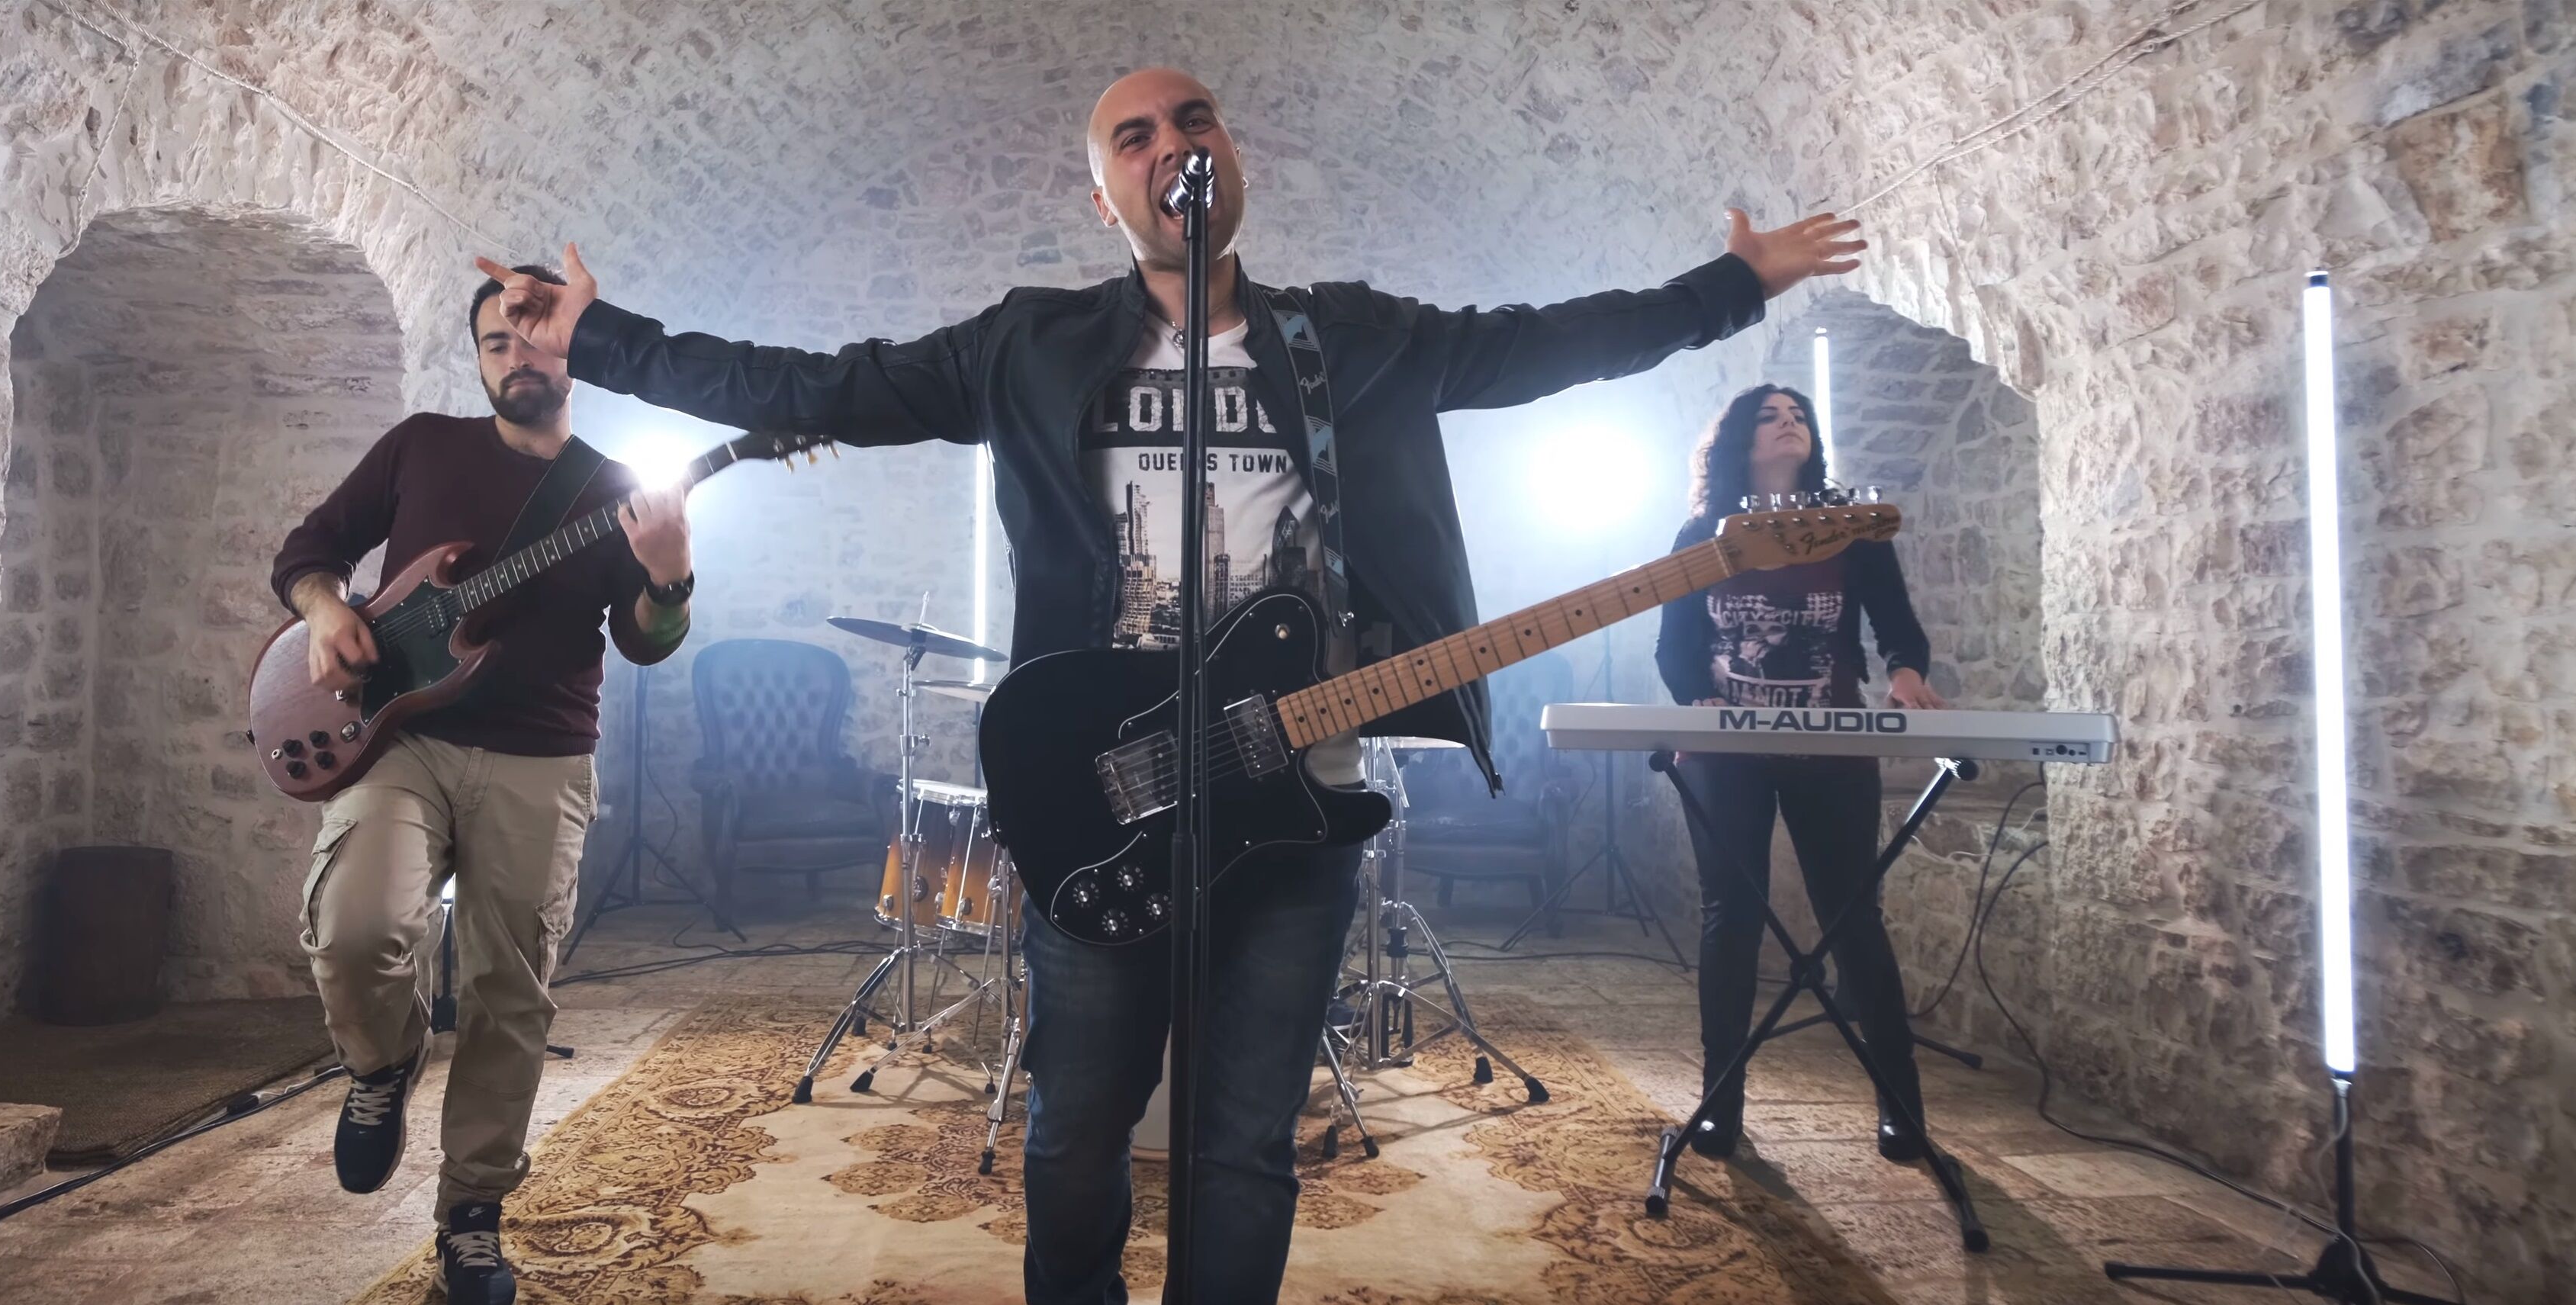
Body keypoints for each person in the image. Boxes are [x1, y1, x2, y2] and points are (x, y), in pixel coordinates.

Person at [474, 67, 1863, 1303]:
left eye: (1192, 120)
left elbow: (1550, 342)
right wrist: (605, 339)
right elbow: (813, 385)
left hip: (1297, 798)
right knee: (1075, 1132)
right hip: (1104, 794)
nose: (1170, 145)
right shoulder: (1026, 344)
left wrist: (1730, 286)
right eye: (1133, 137)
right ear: (1104, 197)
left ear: (1230, 156)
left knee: (1245, 1142)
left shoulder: (1350, 339)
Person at [268, 265, 697, 1305]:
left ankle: (471, 1214)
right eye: (498, 343)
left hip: (542, 752)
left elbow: (648, 642)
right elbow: (309, 551)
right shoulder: (422, 444)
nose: (518, 357)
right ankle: (381, 1063)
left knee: (511, 993)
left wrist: (670, 574)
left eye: (537, 340)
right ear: (478, 359)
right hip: (399, 738)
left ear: (572, 352)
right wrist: (327, 610)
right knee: (356, 928)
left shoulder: (614, 487)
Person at [1652, 384, 1946, 1165]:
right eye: (1770, 416)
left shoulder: (1851, 529)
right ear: (1738, 440)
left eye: (1799, 416)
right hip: (1726, 751)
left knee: (1853, 918)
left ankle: (1902, 1109)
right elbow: (1674, 647)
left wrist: (1906, 672)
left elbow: (1897, 626)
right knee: (1731, 918)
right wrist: (1697, 695)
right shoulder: (1700, 533)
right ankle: (1719, 1106)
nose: (1790, 424)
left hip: (1832, 743)